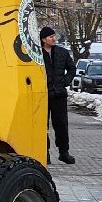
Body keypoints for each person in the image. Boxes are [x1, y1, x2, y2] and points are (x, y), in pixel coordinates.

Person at [39, 26, 76, 164]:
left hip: (59, 94)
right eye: (50, 37)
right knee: (42, 126)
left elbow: (72, 68)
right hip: (43, 95)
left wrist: (65, 81)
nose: (54, 39)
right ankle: (44, 153)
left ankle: (63, 152)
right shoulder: (37, 54)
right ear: (43, 39)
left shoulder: (62, 52)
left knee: (61, 124)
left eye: (54, 36)